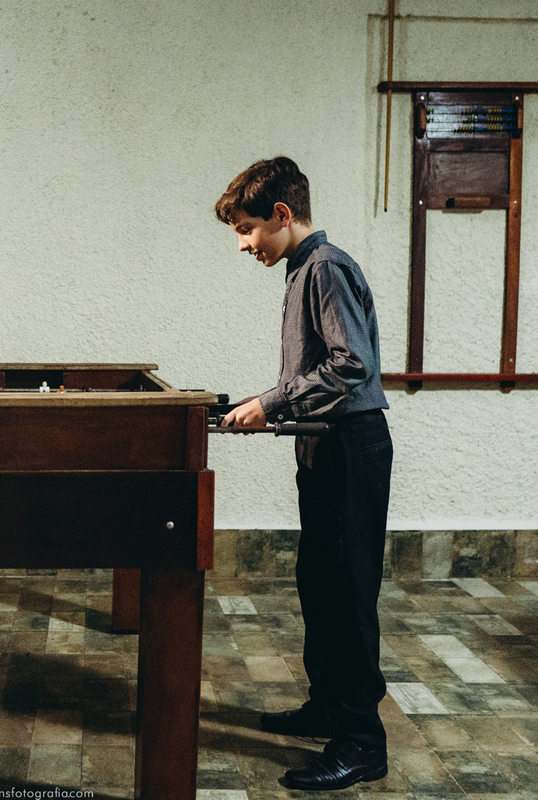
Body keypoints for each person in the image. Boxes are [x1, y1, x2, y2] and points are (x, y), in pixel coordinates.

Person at [215, 156, 393, 791]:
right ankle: (328, 708)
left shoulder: (325, 267)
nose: (243, 245)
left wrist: (272, 404)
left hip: (350, 448)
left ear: (282, 214)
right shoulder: (303, 269)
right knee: (318, 582)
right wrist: (262, 403)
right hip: (323, 446)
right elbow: (314, 373)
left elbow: (351, 365)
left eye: (247, 229)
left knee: (347, 594)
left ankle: (361, 743)